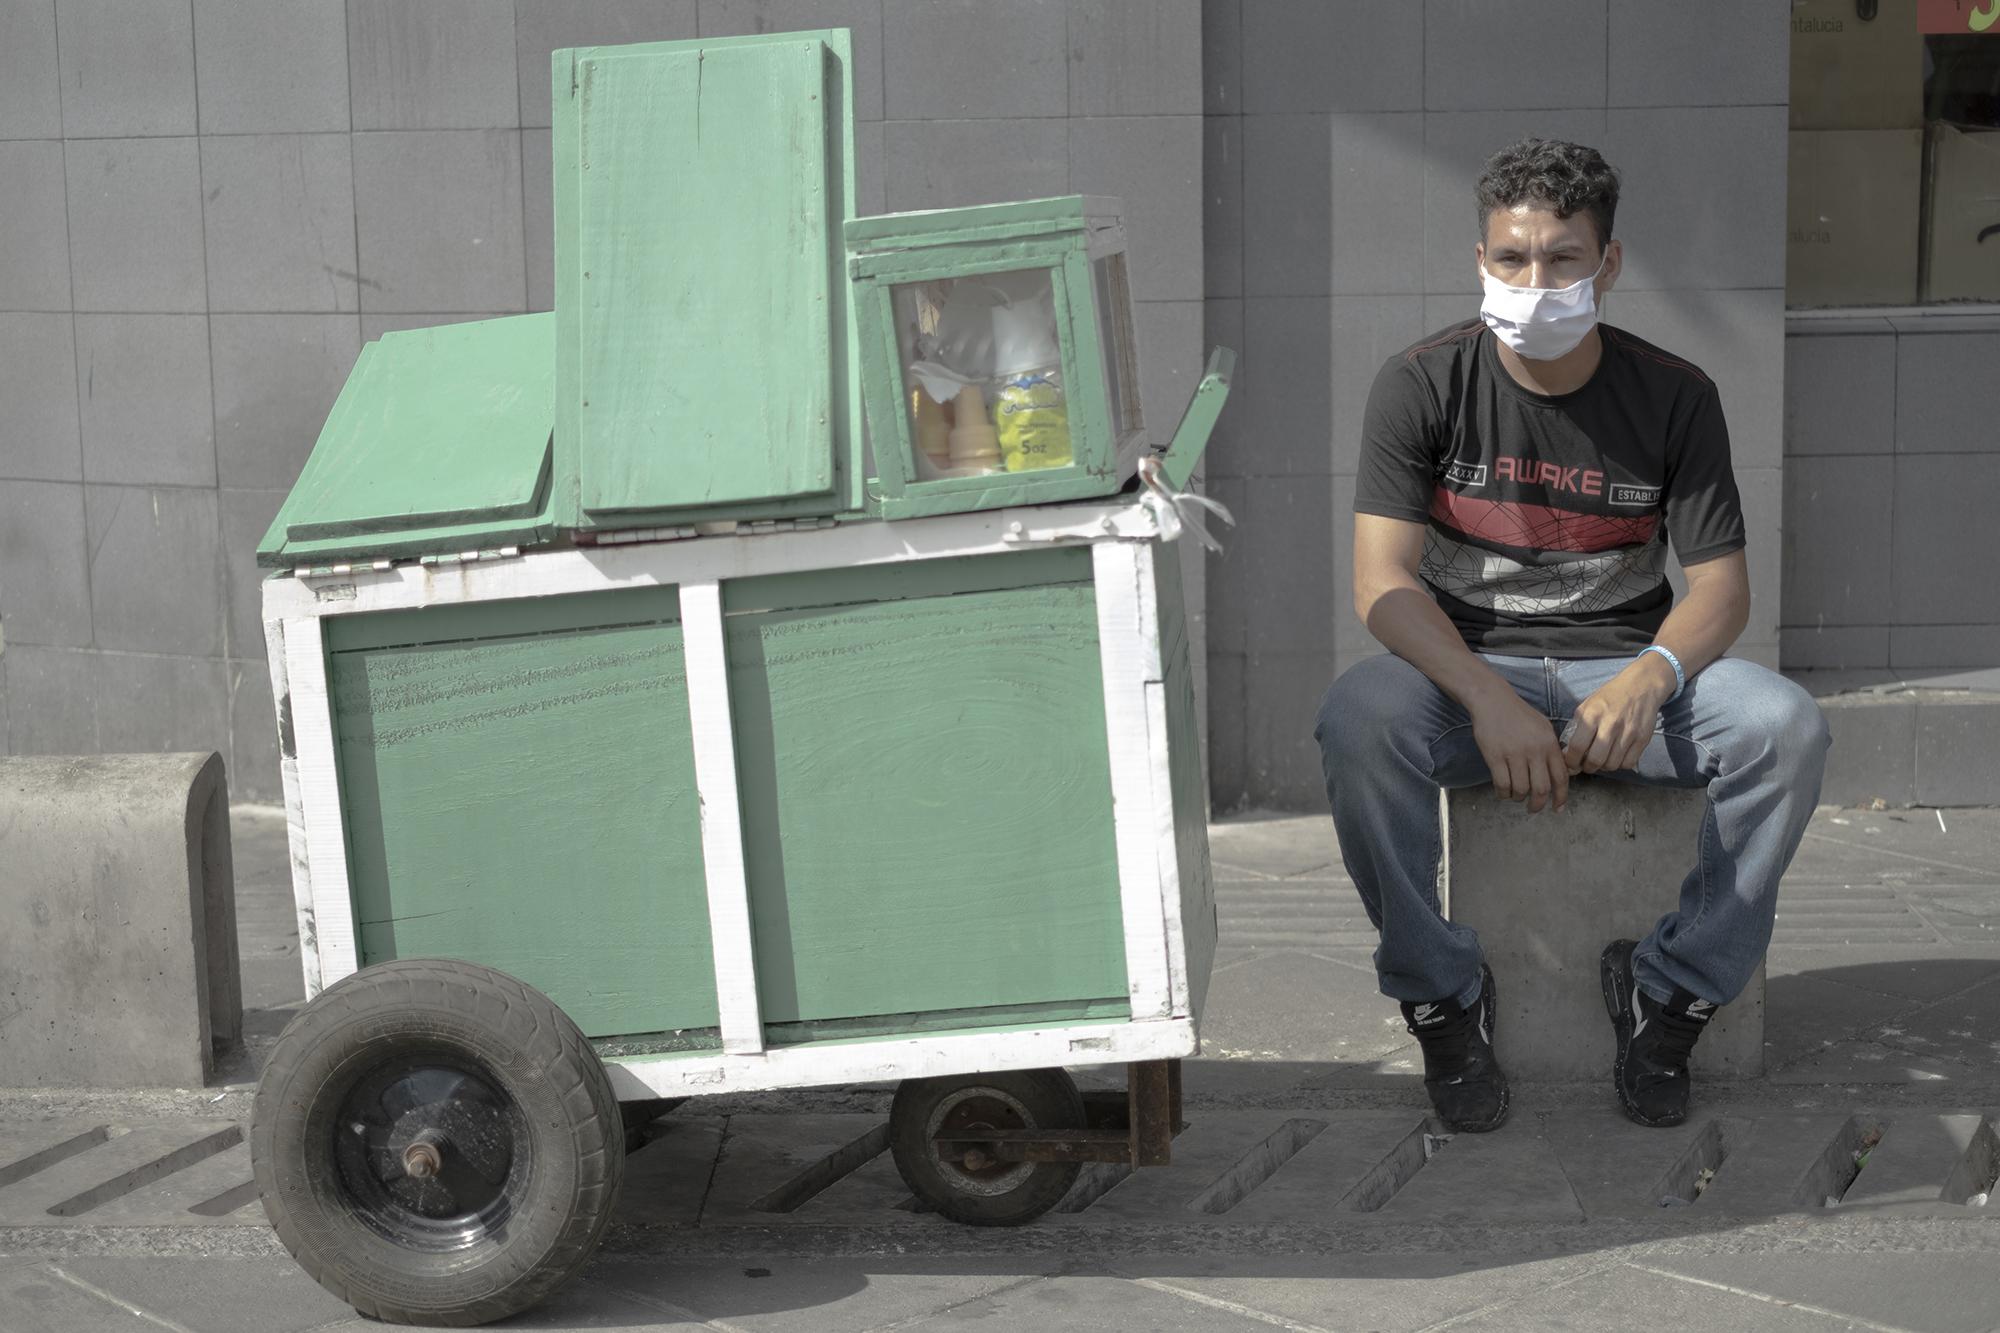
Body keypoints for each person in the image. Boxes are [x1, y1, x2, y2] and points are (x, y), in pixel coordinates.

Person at [1313, 138, 1831, 1132]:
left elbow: (1720, 588)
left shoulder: (1673, 395)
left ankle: (1673, 991)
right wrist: (1482, 696)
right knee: (1356, 718)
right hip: (1470, 676)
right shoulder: (1420, 385)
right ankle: (1440, 991)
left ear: (1607, 263)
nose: (1534, 283)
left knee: (1784, 727)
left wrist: (1650, 675)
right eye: (1510, 259)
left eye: (1560, 259)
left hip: (1622, 684)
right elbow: (1379, 584)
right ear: (1478, 261)